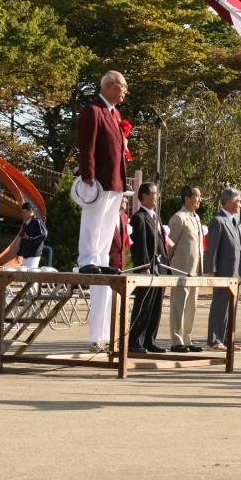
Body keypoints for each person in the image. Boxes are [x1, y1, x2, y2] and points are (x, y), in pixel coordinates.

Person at [71, 71, 130, 351]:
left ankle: (100, 256)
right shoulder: (93, 110)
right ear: (108, 86)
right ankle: (87, 258)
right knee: (93, 223)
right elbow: (88, 145)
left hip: (116, 181)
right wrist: (88, 175)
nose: (124, 92)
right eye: (122, 87)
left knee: (107, 228)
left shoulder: (115, 114)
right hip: (99, 180)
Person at [205, 187, 241, 351]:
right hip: (223, 272)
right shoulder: (218, 220)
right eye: (238, 201)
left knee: (231, 308)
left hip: (236, 272)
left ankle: (228, 339)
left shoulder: (234, 221)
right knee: (220, 306)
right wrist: (211, 270)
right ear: (228, 202)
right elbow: (212, 248)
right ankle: (215, 340)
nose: (240, 204)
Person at [167, 185, 204, 352]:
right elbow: (169, 246)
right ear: (187, 198)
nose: (199, 200)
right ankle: (177, 341)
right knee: (178, 306)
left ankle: (187, 339)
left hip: (195, 271)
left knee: (192, 306)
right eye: (197, 196)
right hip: (180, 270)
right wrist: (167, 267)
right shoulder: (179, 218)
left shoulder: (196, 218)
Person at [128, 182, 164, 353]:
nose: (157, 197)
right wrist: (143, 267)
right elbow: (140, 245)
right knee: (143, 305)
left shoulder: (156, 217)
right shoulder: (138, 217)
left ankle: (149, 340)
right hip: (147, 269)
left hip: (160, 268)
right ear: (144, 196)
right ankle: (135, 341)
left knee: (156, 307)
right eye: (154, 193)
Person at [13, 201, 47, 269]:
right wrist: (19, 253)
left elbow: (43, 235)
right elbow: (23, 239)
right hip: (26, 255)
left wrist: (30, 238)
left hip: (34, 254)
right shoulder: (25, 224)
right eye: (22, 212)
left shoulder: (37, 221)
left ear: (30, 211)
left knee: (31, 276)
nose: (23, 214)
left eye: (24, 212)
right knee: (27, 277)